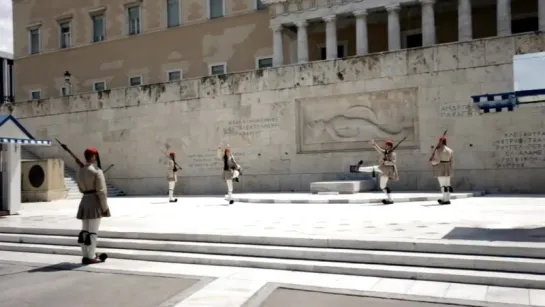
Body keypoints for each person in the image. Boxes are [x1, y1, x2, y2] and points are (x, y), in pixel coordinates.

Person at [76, 147, 110, 265]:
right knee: (93, 232)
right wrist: (105, 207)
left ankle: (85, 255)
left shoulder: (80, 171)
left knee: (85, 231)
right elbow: (101, 191)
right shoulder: (97, 171)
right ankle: (91, 256)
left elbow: (80, 188)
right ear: (94, 157)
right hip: (94, 202)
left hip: (84, 200)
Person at [369, 139, 399, 204]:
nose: (385, 146)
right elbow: (379, 150)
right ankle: (390, 199)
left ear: (390, 146)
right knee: (383, 186)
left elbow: (393, 162)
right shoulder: (386, 152)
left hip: (388, 171)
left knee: (383, 186)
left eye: (387, 145)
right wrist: (374, 144)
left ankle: (390, 199)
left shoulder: (393, 153)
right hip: (384, 170)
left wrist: (385, 162)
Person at [430, 137, 454, 205]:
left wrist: (432, 161)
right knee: (448, 185)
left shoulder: (438, 150)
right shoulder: (450, 150)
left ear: (440, 142)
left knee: (443, 185)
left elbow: (437, 161)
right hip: (448, 169)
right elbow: (452, 162)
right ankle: (447, 199)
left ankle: (445, 200)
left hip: (441, 169)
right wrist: (450, 169)